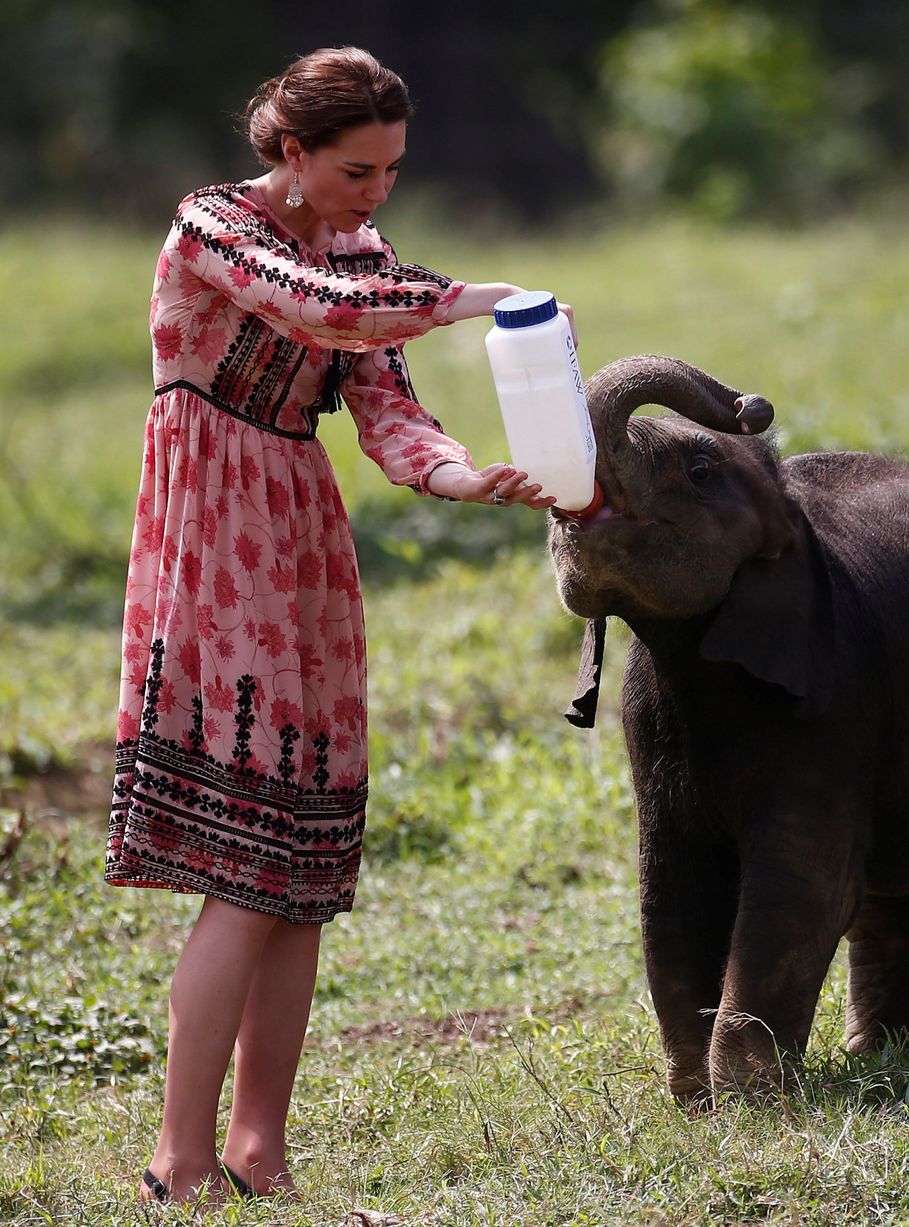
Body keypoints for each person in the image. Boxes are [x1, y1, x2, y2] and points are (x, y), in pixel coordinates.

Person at [106, 45, 571, 1205]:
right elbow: (324, 314)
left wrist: (465, 477)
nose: (377, 193)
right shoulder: (213, 228)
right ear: (294, 152)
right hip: (215, 536)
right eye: (358, 169)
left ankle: (258, 1148)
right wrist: (468, 298)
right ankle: (180, 1155)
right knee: (246, 856)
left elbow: (389, 408)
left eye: (392, 170)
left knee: (304, 859)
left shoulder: (360, 253)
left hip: (301, 534)